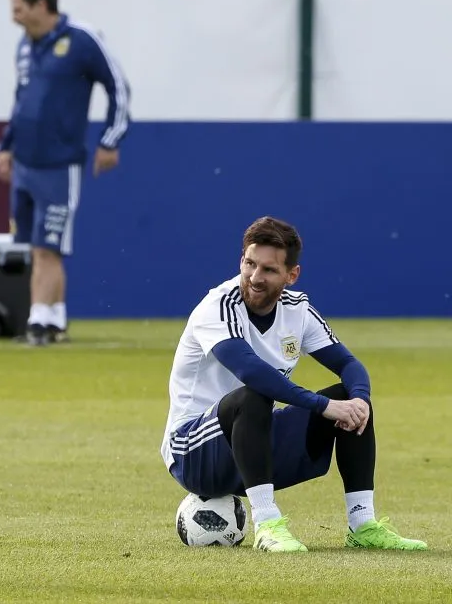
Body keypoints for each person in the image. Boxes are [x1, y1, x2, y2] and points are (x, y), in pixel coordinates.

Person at [160, 216, 428, 553]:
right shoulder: (218, 306)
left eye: (269, 270)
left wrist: (358, 400)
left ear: (291, 275)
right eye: (249, 264)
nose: (255, 278)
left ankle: (363, 524)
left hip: (251, 441)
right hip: (193, 452)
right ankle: (268, 524)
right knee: (255, 395)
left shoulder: (297, 310)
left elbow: (349, 365)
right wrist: (323, 406)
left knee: (348, 396)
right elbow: (251, 371)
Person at [0, 0, 131, 346]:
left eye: (18, 8)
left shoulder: (81, 39)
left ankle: (37, 321)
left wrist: (110, 139)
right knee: (33, 244)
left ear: (41, 5)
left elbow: (117, 85)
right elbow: (20, 100)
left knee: (48, 246)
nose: (14, 17)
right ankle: (54, 319)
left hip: (59, 164)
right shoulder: (25, 46)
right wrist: (5, 146)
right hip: (24, 161)